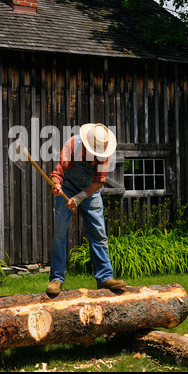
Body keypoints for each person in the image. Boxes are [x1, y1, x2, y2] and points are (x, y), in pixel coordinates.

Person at [47, 123, 126, 295]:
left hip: (90, 191)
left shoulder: (105, 152)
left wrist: (80, 197)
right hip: (67, 188)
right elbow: (57, 174)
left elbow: (98, 182)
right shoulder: (72, 145)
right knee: (59, 233)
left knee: (99, 233)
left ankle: (105, 278)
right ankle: (56, 278)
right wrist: (56, 186)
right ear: (86, 143)